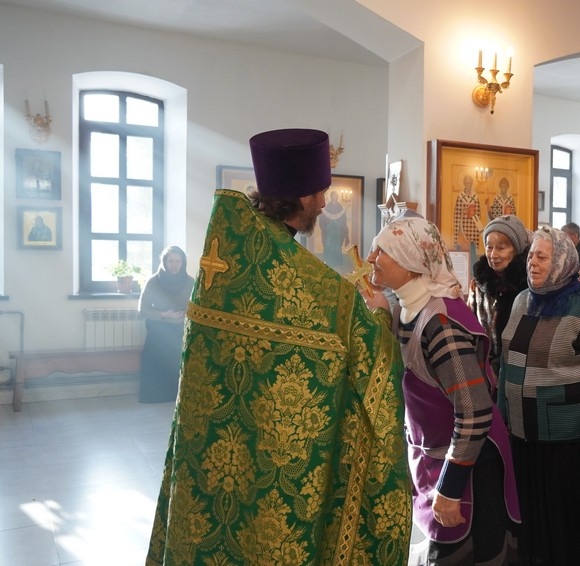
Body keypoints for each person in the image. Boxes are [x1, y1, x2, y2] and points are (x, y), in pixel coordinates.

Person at [146, 128, 411, 565]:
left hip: (208, 466)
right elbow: (372, 355)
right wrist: (382, 316)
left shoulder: (221, 263)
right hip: (271, 470)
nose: (324, 204)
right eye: (320, 193)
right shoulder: (312, 284)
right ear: (301, 197)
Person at [364, 215, 520, 565]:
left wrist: (450, 487)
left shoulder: (441, 325)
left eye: (382, 250)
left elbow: (475, 412)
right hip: (435, 456)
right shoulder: (407, 309)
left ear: (411, 261)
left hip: (468, 467)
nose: (372, 257)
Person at [499, 225, 580, 565]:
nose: (532, 263)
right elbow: (507, 363)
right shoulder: (522, 301)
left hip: (568, 440)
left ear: (563, 261)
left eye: (542, 257)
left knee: (567, 524)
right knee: (530, 519)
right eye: (531, 256)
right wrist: (503, 416)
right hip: (523, 433)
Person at [468, 214, 532, 376]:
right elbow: (470, 326)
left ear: (516, 250)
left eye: (501, 248)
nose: (493, 254)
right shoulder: (479, 284)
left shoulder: (529, 286)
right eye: (489, 247)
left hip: (522, 370)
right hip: (484, 369)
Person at [137, 245, 194, 403]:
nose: (174, 265)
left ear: (183, 263)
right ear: (164, 262)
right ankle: (156, 396)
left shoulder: (190, 282)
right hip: (159, 328)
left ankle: (179, 395)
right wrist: (163, 315)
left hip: (182, 327)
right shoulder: (153, 281)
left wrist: (186, 312)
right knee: (157, 357)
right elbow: (143, 309)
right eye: (170, 261)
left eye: (178, 261)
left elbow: (197, 305)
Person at [454, 174, 483, 249]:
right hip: (463, 225)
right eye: (467, 183)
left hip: (473, 226)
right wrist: (463, 211)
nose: (468, 185)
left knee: (473, 247)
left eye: (470, 183)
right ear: (464, 183)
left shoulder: (475, 197)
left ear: (472, 184)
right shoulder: (460, 196)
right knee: (463, 246)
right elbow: (457, 212)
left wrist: (473, 213)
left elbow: (478, 213)